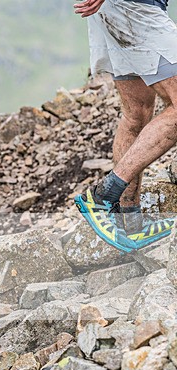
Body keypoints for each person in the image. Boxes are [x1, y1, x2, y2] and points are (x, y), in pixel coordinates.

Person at [74, 0, 176, 252]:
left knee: (136, 114)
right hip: (133, 9)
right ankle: (102, 196)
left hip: (117, 11)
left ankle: (130, 221)